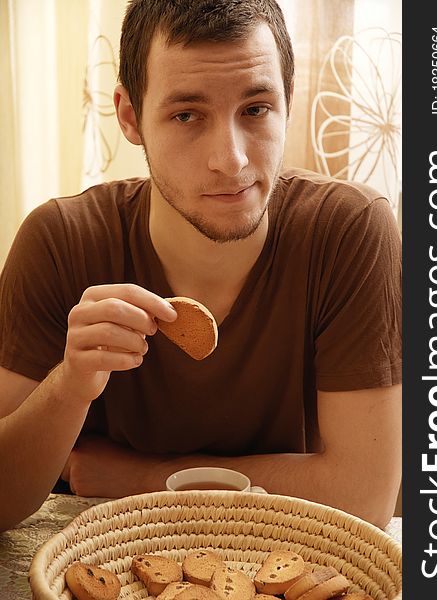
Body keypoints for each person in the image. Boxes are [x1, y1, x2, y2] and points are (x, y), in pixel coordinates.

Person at [0, 0, 401, 532]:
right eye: (187, 115)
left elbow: (363, 500)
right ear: (129, 116)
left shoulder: (350, 231)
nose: (230, 159)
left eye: (255, 109)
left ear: (288, 98)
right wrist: (71, 383)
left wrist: (146, 476)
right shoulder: (61, 241)